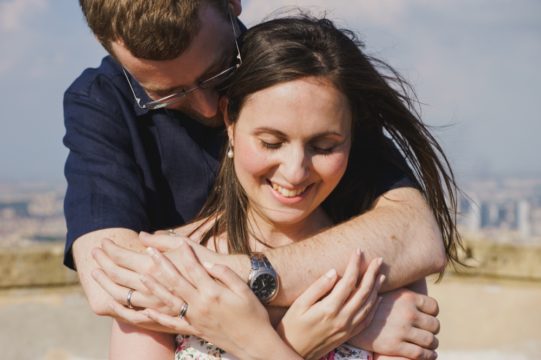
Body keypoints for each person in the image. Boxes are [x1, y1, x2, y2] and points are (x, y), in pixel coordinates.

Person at [63, 0, 456, 358]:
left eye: (219, 71)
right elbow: (114, 285)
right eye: (166, 95)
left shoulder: (303, 73)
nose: (205, 108)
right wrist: (332, 323)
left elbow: (415, 236)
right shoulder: (101, 102)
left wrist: (235, 305)